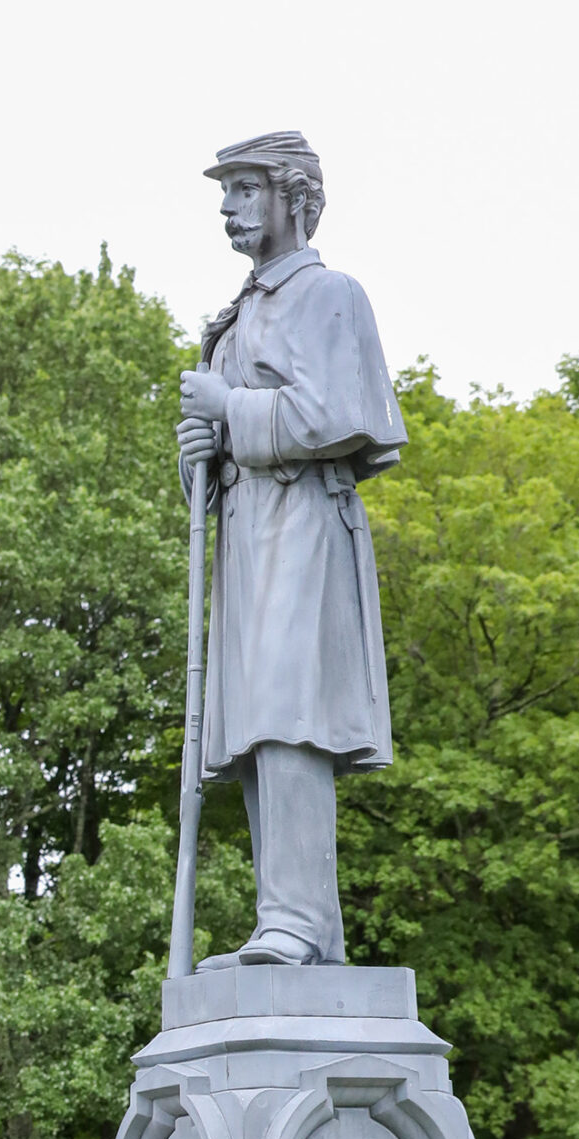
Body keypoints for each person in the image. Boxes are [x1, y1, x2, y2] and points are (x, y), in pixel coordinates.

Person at [177, 131, 406, 968]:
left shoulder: (327, 294)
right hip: (246, 534)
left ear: (292, 197)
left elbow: (334, 417)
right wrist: (198, 448)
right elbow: (224, 446)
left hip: (302, 525)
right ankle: (299, 927)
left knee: (288, 715)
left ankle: (296, 924)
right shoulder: (238, 315)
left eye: (244, 189)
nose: (229, 208)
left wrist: (229, 408)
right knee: (250, 731)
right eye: (226, 192)